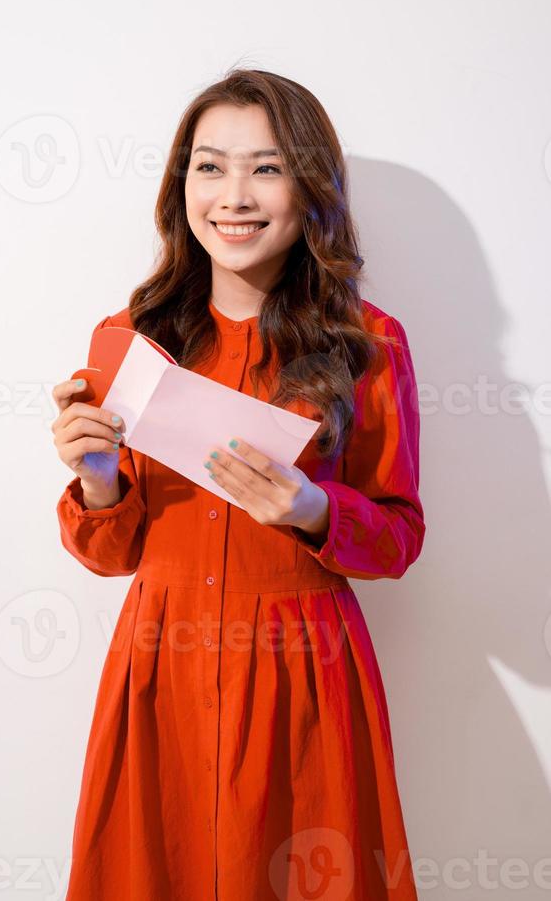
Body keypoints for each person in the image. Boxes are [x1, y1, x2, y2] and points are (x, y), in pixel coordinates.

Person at [51, 68, 426, 900]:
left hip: (305, 677)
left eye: (267, 167)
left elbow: (400, 535)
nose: (235, 195)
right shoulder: (130, 340)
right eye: (210, 165)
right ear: (181, 183)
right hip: (162, 671)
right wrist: (101, 477)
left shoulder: (369, 343)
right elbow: (113, 556)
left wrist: (314, 509)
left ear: (310, 186)